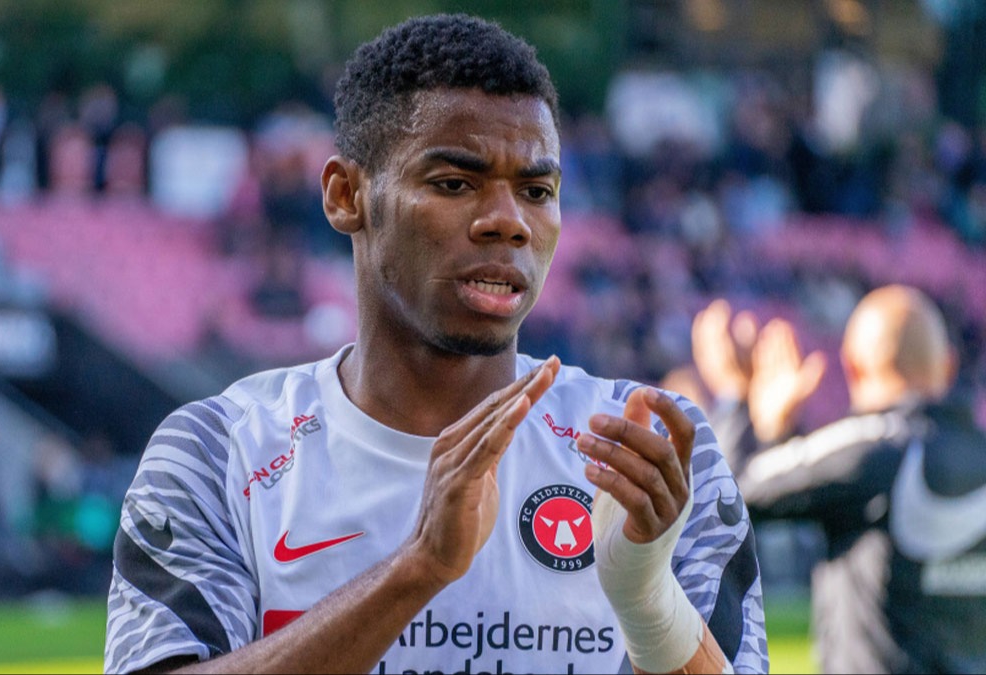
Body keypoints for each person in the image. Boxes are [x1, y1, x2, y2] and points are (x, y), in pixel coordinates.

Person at [105, 14, 767, 675]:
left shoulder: (650, 452)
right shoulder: (219, 453)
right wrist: (418, 567)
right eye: (454, 183)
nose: (508, 222)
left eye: (537, 191)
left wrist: (649, 603)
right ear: (346, 195)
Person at [696, 286, 986, 673]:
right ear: (948, 366)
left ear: (854, 367)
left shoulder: (871, 445)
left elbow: (730, 497)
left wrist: (739, 400)